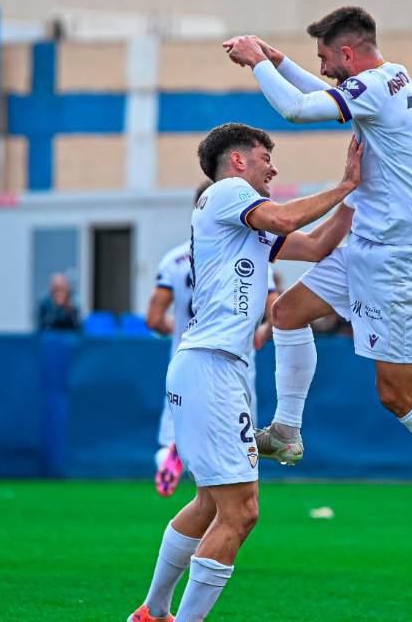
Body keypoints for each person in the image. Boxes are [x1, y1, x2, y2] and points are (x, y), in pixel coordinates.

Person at [223, 6, 412, 547]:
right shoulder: (390, 78)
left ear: (348, 53)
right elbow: (323, 96)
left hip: (399, 260)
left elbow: (299, 110)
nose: (321, 69)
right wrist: (282, 60)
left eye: (324, 59)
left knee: (395, 393)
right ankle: (289, 431)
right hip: (368, 245)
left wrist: (257, 64)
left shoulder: (375, 87)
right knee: (287, 312)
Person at [127, 123, 361, 622]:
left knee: (211, 503)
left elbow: (317, 246)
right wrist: (343, 184)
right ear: (237, 161)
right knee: (242, 510)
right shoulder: (227, 193)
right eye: (265, 156)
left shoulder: (244, 225)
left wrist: (361, 196)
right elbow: (283, 217)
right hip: (211, 366)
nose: (272, 166)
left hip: (209, 367)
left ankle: (152, 612)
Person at [144, 182, 279, 498]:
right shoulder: (254, 253)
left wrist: (179, 326)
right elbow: (277, 310)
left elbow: (152, 317)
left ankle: (170, 458)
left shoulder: (174, 260)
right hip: (233, 360)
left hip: (186, 357)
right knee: (236, 451)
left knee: (174, 437)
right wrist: (261, 332)